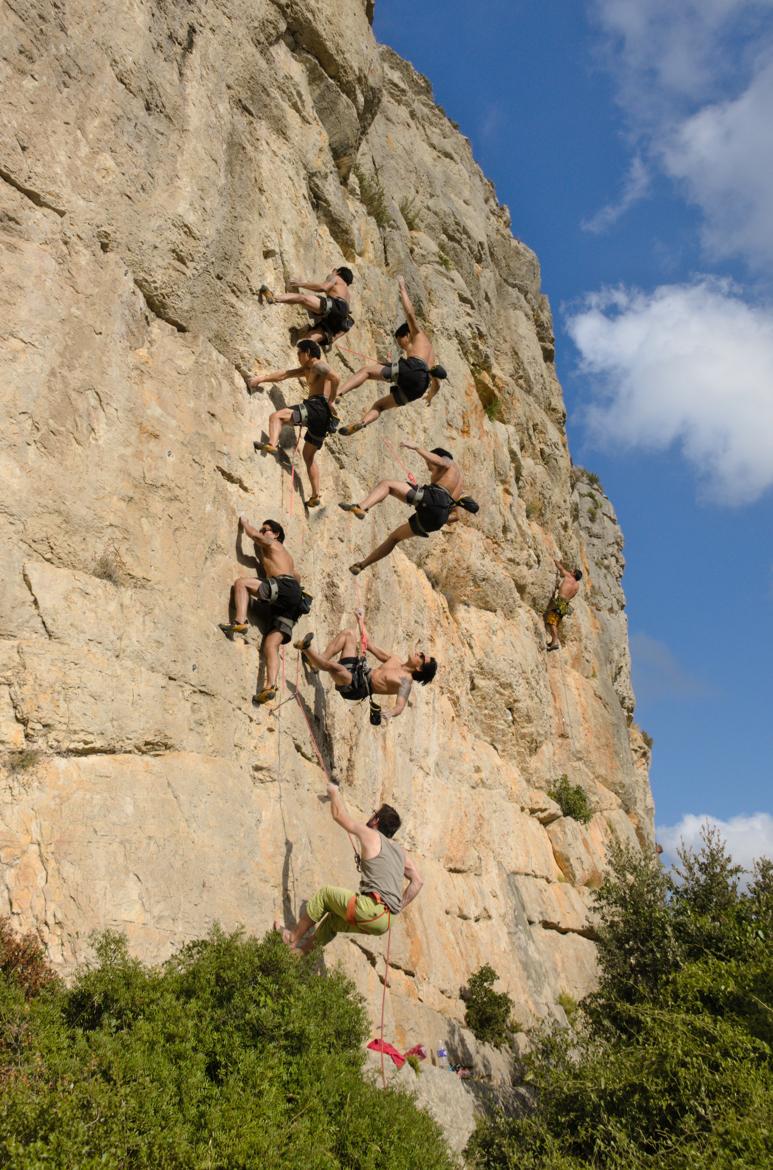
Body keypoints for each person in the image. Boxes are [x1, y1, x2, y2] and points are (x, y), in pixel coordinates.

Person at [275, 787, 423, 954]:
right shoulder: (400, 853)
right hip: (385, 922)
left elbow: (340, 816)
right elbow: (418, 881)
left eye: (374, 813)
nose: (372, 815)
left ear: (376, 820)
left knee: (325, 895)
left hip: (371, 909)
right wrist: (397, 906)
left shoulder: (371, 834)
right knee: (333, 921)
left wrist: (334, 793)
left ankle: (292, 938)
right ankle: (299, 954)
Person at [338, 442, 479, 574]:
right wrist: (435, 511)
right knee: (393, 538)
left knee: (387, 484)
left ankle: (361, 507)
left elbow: (441, 462)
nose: (428, 468)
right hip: (437, 519)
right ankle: (361, 565)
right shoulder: (457, 486)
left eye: (428, 464)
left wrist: (417, 447)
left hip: (433, 498)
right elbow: (455, 517)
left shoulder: (448, 462)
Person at [336, 277, 447, 435]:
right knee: (379, 406)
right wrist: (429, 397)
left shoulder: (418, 335)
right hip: (419, 388)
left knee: (366, 372)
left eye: (400, 341)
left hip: (413, 368)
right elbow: (436, 384)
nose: (400, 345)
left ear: (406, 335)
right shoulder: (431, 357)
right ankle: (362, 422)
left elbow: (410, 313)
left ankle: (338, 393)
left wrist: (402, 287)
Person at [218, 517, 309, 704]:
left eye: (266, 529)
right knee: (270, 644)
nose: (263, 531)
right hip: (293, 599)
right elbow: (297, 577)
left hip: (283, 587)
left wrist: (244, 523)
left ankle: (240, 622)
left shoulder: (273, 543)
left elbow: (254, 536)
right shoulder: (287, 558)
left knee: (242, 583)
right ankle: (270, 685)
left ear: (276, 534)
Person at [294, 610, 437, 721]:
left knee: (335, 667)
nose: (419, 653)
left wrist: (391, 712)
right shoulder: (394, 659)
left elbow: (400, 706)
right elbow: (369, 645)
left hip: (357, 687)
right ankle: (316, 662)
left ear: (419, 668)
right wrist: (360, 620)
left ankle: (307, 648)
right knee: (349, 634)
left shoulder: (406, 681)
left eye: (422, 657)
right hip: (358, 670)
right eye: (422, 653)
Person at [248, 340, 340, 507]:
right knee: (308, 456)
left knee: (277, 417)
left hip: (316, 406)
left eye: (299, 353)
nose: (298, 357)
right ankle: (315, 495)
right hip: (323, 418)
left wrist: (331, 401)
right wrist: (262, 378)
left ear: (307, 353)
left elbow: (335, 378)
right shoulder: (307, 369)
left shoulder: (318, 365)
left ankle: (271, 444)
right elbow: (284, 374)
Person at [259, 266, 354, 347]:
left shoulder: (337, 278)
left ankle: (274, 298)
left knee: (302, 298)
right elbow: (347, 320)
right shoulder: (348, 295)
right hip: (339, 322)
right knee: (308, 340)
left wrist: (302, 284)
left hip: (335, 306)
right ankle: (304, 349)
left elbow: (323, 287)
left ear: (339, 272)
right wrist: (334, 337)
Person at [544, 557, 583, 651]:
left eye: (572, 571)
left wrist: (554, 560)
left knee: (552, 621)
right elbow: (572, 596)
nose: (571, 571)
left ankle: (555, 642)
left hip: (560, 601)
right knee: (555, 622)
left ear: (574, 574)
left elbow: (560, 568)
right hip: (566, 605)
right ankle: (553, 641)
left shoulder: (569, 577)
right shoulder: (577, 586)